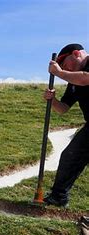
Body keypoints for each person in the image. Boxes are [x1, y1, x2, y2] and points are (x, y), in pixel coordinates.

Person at [43, 43, 89, 207]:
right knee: (70, 156)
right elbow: (63, 108)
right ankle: (58, 197)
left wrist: (59, 73)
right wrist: (52, 100)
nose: (64, 68)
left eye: (65, 64)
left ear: (76, 54)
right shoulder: (74, 81)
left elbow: (86, 78)